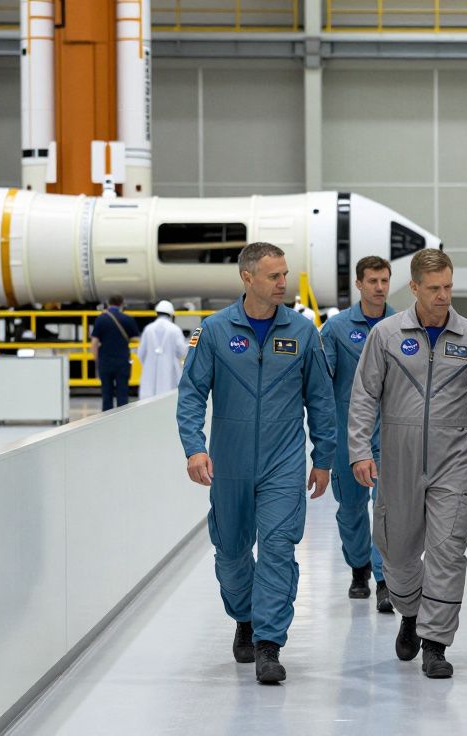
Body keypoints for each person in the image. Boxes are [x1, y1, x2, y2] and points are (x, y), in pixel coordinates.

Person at [176, 242, 337, 684]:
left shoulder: (303, 332)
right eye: (273, 276)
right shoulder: (213, 331)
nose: (283, 282)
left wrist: (324, 457)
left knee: (278, 548)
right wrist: (194, 447)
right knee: (231, 552)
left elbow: (321, 400)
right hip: (228, 463)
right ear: (248, 278)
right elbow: (191, 394)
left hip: (283, 461)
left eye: (284, 274)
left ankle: (269, 642)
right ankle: (244, 617)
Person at [347, 249, 467, 679]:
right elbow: (364, 396)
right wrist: (360, 450)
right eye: (434, 288)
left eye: (448, 287)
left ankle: (435, 643)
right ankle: (411, 612)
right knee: (395, 552)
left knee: (448, 551)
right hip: (398, 459)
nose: (443, 296)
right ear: (414, 287)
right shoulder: (385, 335)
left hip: (454, 457)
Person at [322, 256, 396, 610]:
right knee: (351, 508)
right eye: (372, 281)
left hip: (391, 438)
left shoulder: (402, 325)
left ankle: (384, 580)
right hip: (349, 439)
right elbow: (321, 381)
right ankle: (358, 568)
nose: (379, 287)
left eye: (384, 280)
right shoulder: (336, 329)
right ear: (359, 284)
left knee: (387, 510)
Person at [90, 294, 140, 411]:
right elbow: (137, 339)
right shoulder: (128, 319)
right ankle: (122, 420)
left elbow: (94, 343)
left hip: (105, 362)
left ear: (108, 303)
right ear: (122, 304)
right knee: (122, 395)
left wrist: (97, 360)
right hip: (122, 362)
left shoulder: (100, 319)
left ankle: (107, 420)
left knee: (106, 396)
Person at [137, 300, 188, 400]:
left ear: (157, 313)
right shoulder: (175, 329)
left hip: (150, 372)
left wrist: (149, 364)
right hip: (169, 372)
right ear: (171, 314)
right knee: (167, 401)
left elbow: (141, 353)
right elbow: (182, 352)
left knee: (149, 402)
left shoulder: (148, 329)